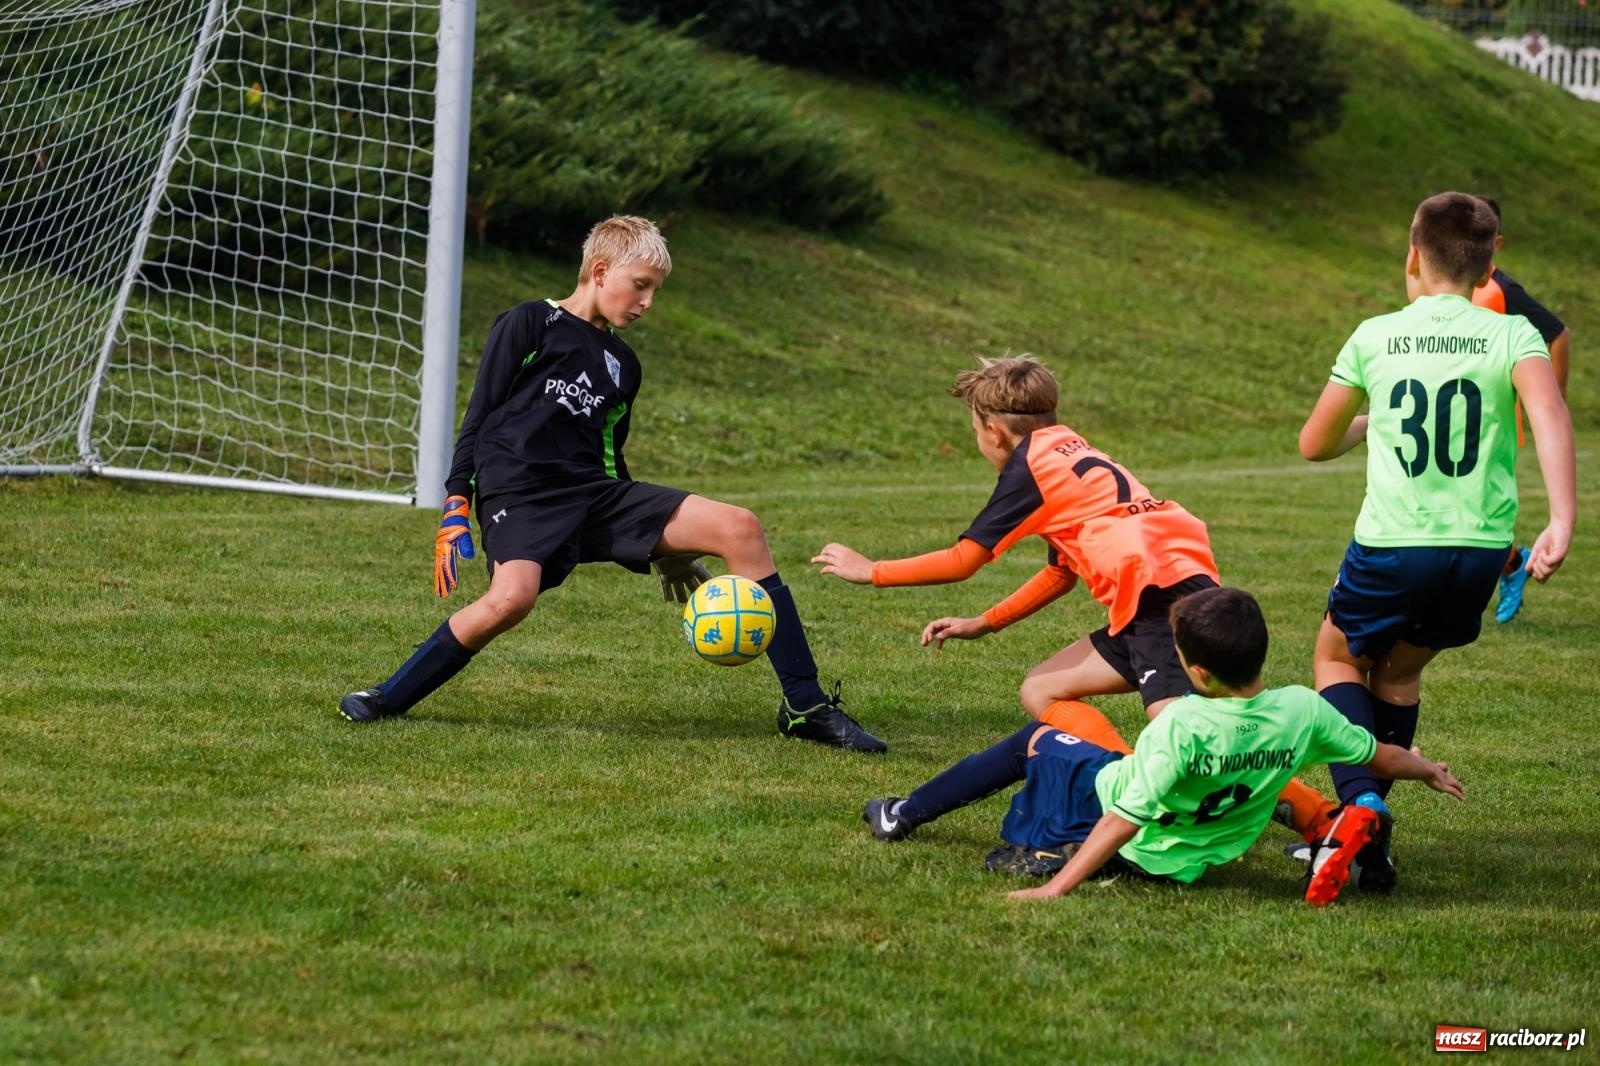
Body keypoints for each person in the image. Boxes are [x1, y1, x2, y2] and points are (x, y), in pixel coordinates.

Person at [340, 215, 886, 753]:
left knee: (739, 527)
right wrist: (457, 498)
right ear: (600, 271)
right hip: (522, 493)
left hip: (595, 492)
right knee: (511, 599)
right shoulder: (531, 322)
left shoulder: (624, 363)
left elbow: (609, 452)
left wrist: (660, 547)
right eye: (640, 286)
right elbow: (479, 415)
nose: (647, 302)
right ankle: (388, 695)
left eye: (655, 291)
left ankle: (806, 707)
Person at [813, 355, 1339, 838]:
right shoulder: (1067, 446)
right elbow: (1061, 573)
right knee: (1044, 690)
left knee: (1192, 738)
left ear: (994, 431)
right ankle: (1135, 776)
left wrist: (871, 571)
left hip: (1161, 602)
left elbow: (963, 559)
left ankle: (1323, 818)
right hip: (1156, 594)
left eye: (975, 430)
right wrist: (986, 622)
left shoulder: (1030, 469)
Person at [1297, 191, 1575, 893]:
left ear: (1412, 255)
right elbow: (1548, 415)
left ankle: (1358, 806)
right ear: (1489, 269)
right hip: (1480, 551)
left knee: (1336, 656)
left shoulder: (1375, 334)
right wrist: (1563, 519)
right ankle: (1373, 837)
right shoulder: (1513, 335)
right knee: (1397, 674)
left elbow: (1313, 443)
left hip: (1394, 543)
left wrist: (1368, 424)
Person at [860, 587, 1464, 906]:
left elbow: (1124, 816)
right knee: (1210, 769)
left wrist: (1058, 886)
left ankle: (903, 814)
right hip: (1195, 858)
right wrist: (1424, 769)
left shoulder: (1183, 725)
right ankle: (1328, 818)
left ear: (1198, 674)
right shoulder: (1301, 710)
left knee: (1039, 739)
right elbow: (1374, 755)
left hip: (1117, 824)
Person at [1471, 195, 1574, 624]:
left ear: (1496, 243)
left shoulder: (1503, 291)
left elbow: (1558, 334)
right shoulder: (1449, 288)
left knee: (1474, 512)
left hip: (1490, 419)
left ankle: (1511, 567)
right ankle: (1512, 564)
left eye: (1479, 235)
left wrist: (1551, 399)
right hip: (1453, 412)